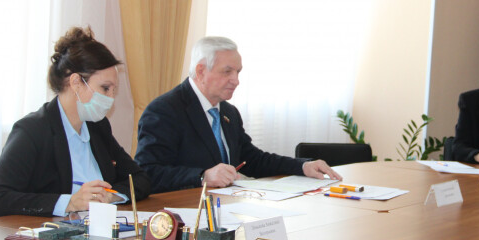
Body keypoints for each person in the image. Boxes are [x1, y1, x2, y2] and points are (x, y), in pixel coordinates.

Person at [0, 27, 150, 219]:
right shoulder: (32, 130)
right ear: (76, 82)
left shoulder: (97, 127)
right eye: (105, 88)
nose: (111, 98)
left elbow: (139, 178)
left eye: (113, 90)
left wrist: (111, 196)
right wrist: (69, 203)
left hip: (95, 228)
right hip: (39, 233)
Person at [135, 36, 340, 193]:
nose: (236, 80)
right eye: (227, 72)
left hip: (226, 207)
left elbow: (252, 160)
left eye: (238, 72)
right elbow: (148, 172)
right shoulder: (164, 111)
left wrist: (302, 166)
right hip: (183, 214)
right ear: (201, 71)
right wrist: (202, 176)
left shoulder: (228, 112)